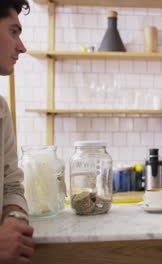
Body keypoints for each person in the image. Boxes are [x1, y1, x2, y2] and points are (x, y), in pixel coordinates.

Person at [0, 0, 35, 263]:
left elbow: (11, 184)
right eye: (13, 32)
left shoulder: (1, 109)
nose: (21, 47)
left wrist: (14, 218)